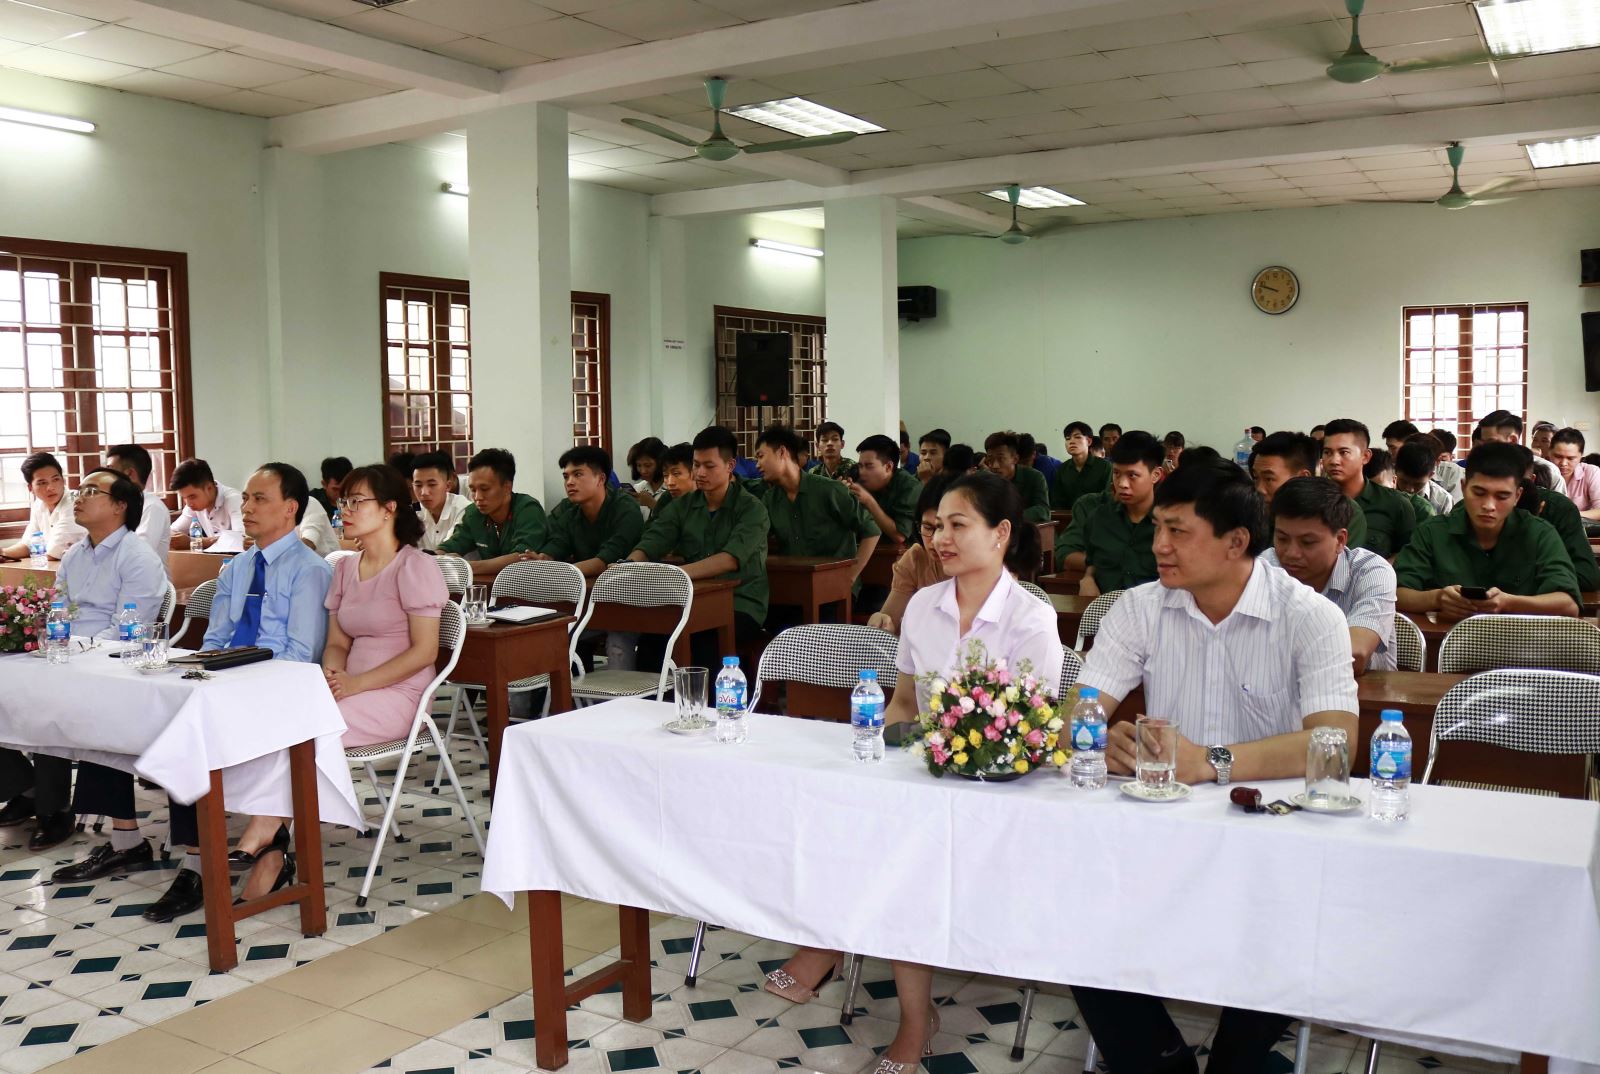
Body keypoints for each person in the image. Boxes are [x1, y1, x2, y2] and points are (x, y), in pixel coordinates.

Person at [1071, 460, 1357, 1074]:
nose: (1159, 545)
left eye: (1177, 531)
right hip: (1163, 825)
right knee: (1077, 914)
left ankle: (1235, 1059)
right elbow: (1080, 709)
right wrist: (1099, 736)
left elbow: (1336, 744)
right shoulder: (1140, 608)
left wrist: (1211, 762)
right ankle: (1161, 1062)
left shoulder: (1310, 617)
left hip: (1273, 835)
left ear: (1235, 542)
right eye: (1158, 528)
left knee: (1286, 934)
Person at [59, 463, 333, 921]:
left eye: (260, 499)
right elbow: (216, 638)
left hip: (277, 689)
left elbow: (300, 655)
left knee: (187, 732)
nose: (247, 507)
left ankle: (197, 864)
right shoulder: (239, 566)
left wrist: (231, 680)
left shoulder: (310, 570)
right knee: (121, 707)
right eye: (246, 497)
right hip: (227, 678)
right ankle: (126, 840)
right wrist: (201, 670)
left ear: (290, 508)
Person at [863, 471, 1059, 1072]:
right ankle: (914, 1016)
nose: (940, 538)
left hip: (1003, 795)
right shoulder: (923, 605)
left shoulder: (1031, 619)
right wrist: (879, 760)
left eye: (957, 525)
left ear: (1001, 534)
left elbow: (1033, 733)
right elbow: (903, 703)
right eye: (936, 526)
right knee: (882, 840)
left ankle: (826, 957)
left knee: (908, 859)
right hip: (927, 783)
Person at [230, 463, 447, 902]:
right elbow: (337, 642)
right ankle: (273, 851)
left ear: (388, 509)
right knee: (279, 721)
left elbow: (425, 652)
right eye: (343, 502)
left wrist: (357, 684)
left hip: (399, 695)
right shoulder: (346, 568)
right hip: (347, 687)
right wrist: (333, 675)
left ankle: (266, 830)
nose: (343, 510)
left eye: (355, 502)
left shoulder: (415, 566)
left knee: (303, 730)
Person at [0, 468, 165, 853]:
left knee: (47, 699)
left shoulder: (137, 556)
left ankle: (54, 810)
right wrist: (46, 641)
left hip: (107, 661)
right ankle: (25, 788)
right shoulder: (76, 554)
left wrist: (75, 649)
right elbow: (57, 610)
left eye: (92, 491)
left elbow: (129, 629)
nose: (79, 497)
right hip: (65, 651)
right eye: (80, 490)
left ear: (120, 506)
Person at [1394, 442, 1580, 620]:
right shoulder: (1432, 532)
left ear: (1517, 496)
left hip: (1521, 639)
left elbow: (1568, 604)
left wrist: (1510, 603)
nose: (1489, 505)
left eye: (1502, 496)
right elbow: (1397, 594)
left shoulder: (1540, 533)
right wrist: (1436, 598)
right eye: (1479, 493)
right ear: (1464, 487)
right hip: (1447, 638)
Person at [628, 426, 771, 651]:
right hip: (694, 598)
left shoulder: (752, 509)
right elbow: (655, 539)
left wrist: (674, 575)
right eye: (696, 465)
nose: (700, 473)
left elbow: (729, 559)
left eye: (709, 466)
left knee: (703, 642)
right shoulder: (682, 506)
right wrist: (629, 564)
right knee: (651, 641)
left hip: (739, 603)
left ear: (730, 466)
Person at [1261, 477, 1397, 675]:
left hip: (1362, 692)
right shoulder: (1266, 567)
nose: (1291, 553)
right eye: (1282, 539)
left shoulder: (1371, 572)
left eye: (1307, 542)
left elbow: (1356, 654)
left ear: (1340, 540)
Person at [753, 426, 879, 617]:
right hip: (795, 588)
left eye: (761, 456)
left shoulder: (829, 490)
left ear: (782, 452)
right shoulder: (770, 500)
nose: (757, 465)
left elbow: (872, 531)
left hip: (835, 590)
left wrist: (851, 576)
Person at [533, 446, 645, 578]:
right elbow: (558, 542)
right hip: (584, 583)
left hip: (625, 584)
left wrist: (560, 573)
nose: (569, 482)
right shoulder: (569, 508)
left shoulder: (626, 507)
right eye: (566, 477)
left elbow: (606, 560)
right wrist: (542, 559)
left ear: (601, 479)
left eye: (578, 474)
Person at [1076, 430, 1164, 598]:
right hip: (1107, 609)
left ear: (1155, 475)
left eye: (1132, 475)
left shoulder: (1171, 524)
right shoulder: (1099, 518)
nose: (1122, 484)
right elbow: (1093, 562)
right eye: (1116, 473)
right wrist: (1088, 579)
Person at [437, 447, 546, 580]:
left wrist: (467, 567)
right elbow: (453, 544)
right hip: (491, 587)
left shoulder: (528, 509)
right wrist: (434, 557)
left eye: (484, 489)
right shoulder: (473, 513)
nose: (477, 497)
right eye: (473, 490)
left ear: (507, 487)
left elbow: (521, 558)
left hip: (531, 586)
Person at [1247, 431, 1369, 547]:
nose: (1259, 489)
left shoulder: (1341, 510)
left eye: (1269, 479)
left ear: (1302, 478)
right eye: (1256, 478)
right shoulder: (1257, 510)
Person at [1320, 419, 1418, 558]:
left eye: (1344, 452)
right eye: (1327, 452)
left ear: (1365, 456)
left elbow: (1407, 554)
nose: (1334, 460)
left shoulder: (1396, 504)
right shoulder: (1312, 501)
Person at [1508, 445, 1600, 592]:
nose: (1491, 505)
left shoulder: (1557, 508)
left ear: (1531, 480)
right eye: (1481, 492)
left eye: (1516, 485)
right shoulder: (1477, 508)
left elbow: (1587, 576)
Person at [866, 475, 951, 635]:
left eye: (943, 528)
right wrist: (882, 621)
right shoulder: (916, 558)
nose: (935, 540)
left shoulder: (985, 569)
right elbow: (889, 621)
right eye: (928, 527)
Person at [0, 451, 85, 561]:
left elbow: (53, 552)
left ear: (63, 481)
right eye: (42, 483)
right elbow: (28, 544)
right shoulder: (39, 505)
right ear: (30, 488)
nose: (50, 487)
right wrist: (3, 553)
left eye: (55, 479)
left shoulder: (75, 500)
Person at [103, 443, 172, 569]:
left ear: (130, 473)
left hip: (146, 580)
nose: (106, 476)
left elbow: (139, 554)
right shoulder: (118, 505)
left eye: (111, 469)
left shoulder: (152, 507)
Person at [848, 433, 921, 543]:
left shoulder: (910, 487)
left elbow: (899, 536)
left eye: (868, 466)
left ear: (888, 467)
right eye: (860, 466)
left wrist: (869, 501)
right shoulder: (860, 481)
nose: (862, 472)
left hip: (904, 551)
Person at [1477, 410, 1565, 495]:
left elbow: (1558, 503)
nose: (1485, 448)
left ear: (1512, 440)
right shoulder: (1479, 469)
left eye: (1490, 442)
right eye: (1483, 443)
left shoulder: (1548, 472)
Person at [168, 458, 245, 549]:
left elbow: (241, 538)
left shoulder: (234, 500)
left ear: (209, 488)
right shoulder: (193, 505)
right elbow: (172, 531)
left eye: (192, 497)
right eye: (184, 498)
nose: (188, 503)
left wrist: (194, 542)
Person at [982, 430, 1050, 523]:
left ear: (1015, 459)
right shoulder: (985, 480)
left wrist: (1011, 518)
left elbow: (1043, 510)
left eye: (1001, 459)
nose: (994, 465)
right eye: (990, 460)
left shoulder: (1034, 477)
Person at [411, 450, 471, 552]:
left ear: (448, 486)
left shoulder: (463, 508)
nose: (424, 492)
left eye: (432, 484)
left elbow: (450, 549)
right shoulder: (414, 511)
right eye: (418, 485)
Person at [1050, 420, 1112, 511]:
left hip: (1098, 516)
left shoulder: (1105, 466)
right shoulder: (1062, 469)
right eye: (1068, 438)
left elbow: (1108, 498)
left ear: (1089, 441)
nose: (1071, 441)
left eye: (1077, 437)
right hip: (1068, 517)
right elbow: (1057, 502)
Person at [1548, 428, 1600, 520]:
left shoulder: (1591, 472)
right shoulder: (1540, 471)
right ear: (1549, 452)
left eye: (1571, 458)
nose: (1563, 463)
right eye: (1558, 456)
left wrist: (1568, 515)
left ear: (1581, 456)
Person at [1394, 436, 1452, 516]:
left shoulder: (1443, 500)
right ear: (1395, 470)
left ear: (1431, 475)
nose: (1409, 489)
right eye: (1404, 481)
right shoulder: (1383, 493)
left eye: (1417, 484)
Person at [625, 437, 667, 508]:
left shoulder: (672, 489)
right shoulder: (638, 488)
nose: (643, 471)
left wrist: (652, 504)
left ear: (660, 463)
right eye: (639, 465)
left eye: (648, 465)